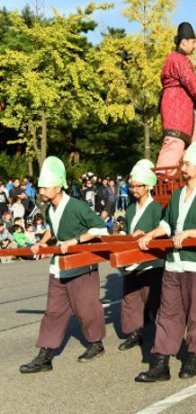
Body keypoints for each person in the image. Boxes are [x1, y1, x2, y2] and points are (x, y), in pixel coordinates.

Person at [135, 141, 196, 382]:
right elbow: (167, 224)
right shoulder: (177, 195)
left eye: (188, 163)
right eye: (183, 162)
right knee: (167, 313)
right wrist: (151, 234)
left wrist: (190, 233)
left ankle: (194, 355)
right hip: (174, 265)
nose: (183, 167)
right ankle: (161, 362)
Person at [20, 157, 109, 374]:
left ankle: (96, 343)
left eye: (44, 186)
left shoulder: (77, 206)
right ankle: (46, 355)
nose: (40, 190)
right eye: (40, 186)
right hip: (58, 266)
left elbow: (101, 230)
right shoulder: (50, 209)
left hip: (82, 265)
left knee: (86, 309)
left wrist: (76, 240)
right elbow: (52, 228)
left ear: (58, 187)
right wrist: (42, 243)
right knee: (53, 312)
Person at [155, 22, 196, 175]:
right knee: (174, 143)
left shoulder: (177, 59)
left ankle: (193, 178)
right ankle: (162, 182)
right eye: (193, 42)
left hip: (182, 107)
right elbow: (192, 83)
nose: (195, 46)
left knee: (192, 147)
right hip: (175, 107)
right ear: (184, 42)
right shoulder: (178, 60)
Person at [117, 162, 164, 352]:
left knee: (153, 299)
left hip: (151, 261)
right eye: (132, 186)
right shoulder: (129, 209)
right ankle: (135, 333)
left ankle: (164, 332)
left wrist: (148, 233)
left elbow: (163, 230)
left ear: (148, 186)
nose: (134, 189)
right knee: (130, 298)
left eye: (138, 186)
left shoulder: (157, 208)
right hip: (132, 260)